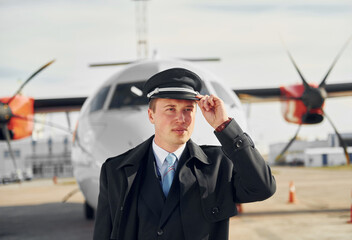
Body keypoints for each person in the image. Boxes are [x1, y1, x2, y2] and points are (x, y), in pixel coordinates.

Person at [93, 68, 276, 240]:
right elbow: (103, 233)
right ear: (151, 115)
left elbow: (263, 188)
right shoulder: (115, 171)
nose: (181, 119)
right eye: (170, 109)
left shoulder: (219, 165)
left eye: (188, 110)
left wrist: (225, 126)